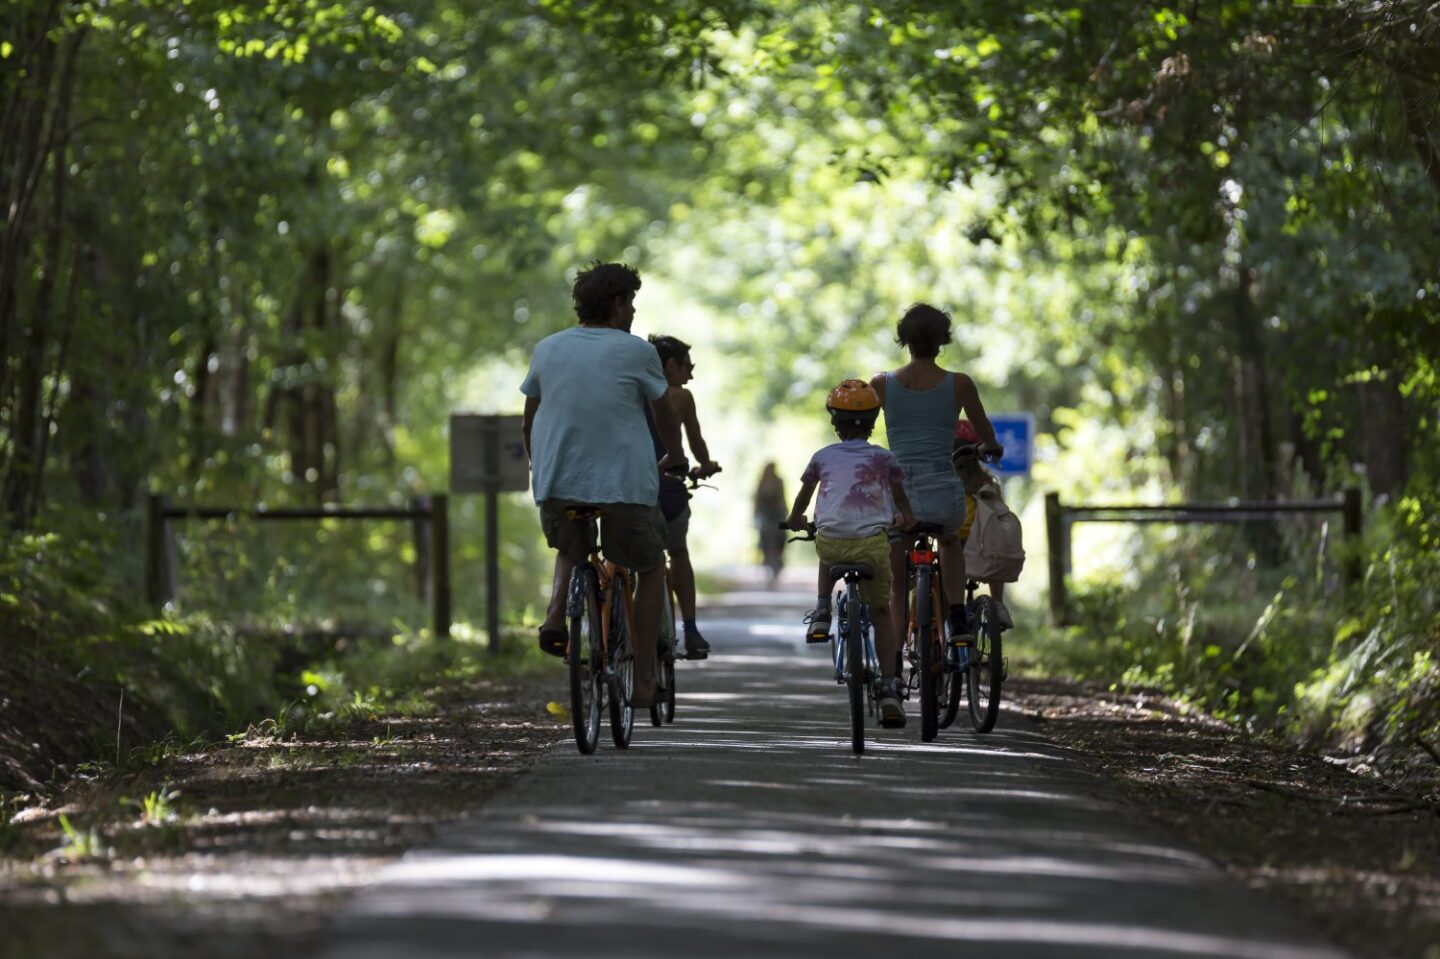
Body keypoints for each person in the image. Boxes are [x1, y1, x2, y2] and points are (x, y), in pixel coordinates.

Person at [520, 261, 684, 709]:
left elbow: (530, 419)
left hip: (556, 482)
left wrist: (544, 466)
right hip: (624, 487)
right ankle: (645, 681)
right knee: (651, 568)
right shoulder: (636, 351)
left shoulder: (548, 349)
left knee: (571, 549)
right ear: (617, 304)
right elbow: (665, 411)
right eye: (630, 301)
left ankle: (555, 616)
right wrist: (675, 455)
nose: (632, 311)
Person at [784, 379, 917, 727]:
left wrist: (795, 519)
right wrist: (908, 518)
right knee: (881, 611)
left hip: (832, 542)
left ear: (834, 423)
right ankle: (889, 686)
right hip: (874, 545)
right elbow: (900, 499)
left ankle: (823, 608)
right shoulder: (884, 458)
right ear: (873, 422)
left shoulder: (822, 456)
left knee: (826, 536)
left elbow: (804, 497)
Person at [869, 303, 1002, 645]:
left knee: (898, 587)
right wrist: (990, 447)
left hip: (899, 497)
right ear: (942, 340)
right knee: (949, 541)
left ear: (904, 340)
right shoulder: (960, 384)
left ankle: (894, 665)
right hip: (943, 489)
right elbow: (985, 434)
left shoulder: (881, 384)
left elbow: (859, 432)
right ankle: (957, 616)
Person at [646, 334, 721, 660]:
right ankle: (690, 630)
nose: (691, 375)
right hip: (670, 487)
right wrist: (706, 465)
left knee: (635, 560)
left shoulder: (632, 393)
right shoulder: (680, 396)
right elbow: (696, 441)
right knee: (678, 553)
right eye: (688, 367)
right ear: (671, 365)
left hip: (632, 486)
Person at [952, 418, 1014, 629]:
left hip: (955, 545)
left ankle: (951, 613)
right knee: (994, 546)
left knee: (947, 565)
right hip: (983, 548)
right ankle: (997, 603)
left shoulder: (944, 481)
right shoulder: (988, 483)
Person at [753, 462, 788, 585]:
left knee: (776, 541)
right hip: (768, 516)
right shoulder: (763, 482)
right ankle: (771, 566)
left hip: (775, 515)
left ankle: (775, 566)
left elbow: (782, 498)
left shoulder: (776, 481)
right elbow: (757, 500)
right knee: (768, 541)